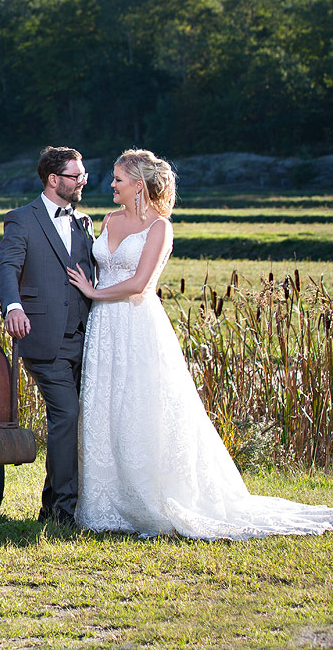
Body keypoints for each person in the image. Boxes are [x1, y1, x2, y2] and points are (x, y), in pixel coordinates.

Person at [67, 149, 333, 538]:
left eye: (118, 180)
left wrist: (93, 292)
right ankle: (107, 501)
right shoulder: (108, 220)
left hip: (137, 327)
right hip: (104, 329)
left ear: (138, 185)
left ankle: (153, 499)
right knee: (106, 406)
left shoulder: (159, 228)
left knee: (142, 409)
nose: (111, 185)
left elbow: (141, 284)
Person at [0, 146, 97, 526]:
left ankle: (53, 507)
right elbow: (7, 268)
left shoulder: (82, 222)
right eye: (77, 176)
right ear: (54, 180)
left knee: (72, 421)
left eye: (83, 174)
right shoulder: (21, 220)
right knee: (66, 414)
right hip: (43, 336)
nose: (83, 181)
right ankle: (63, 513)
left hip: (86, 337)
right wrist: (13, 307)